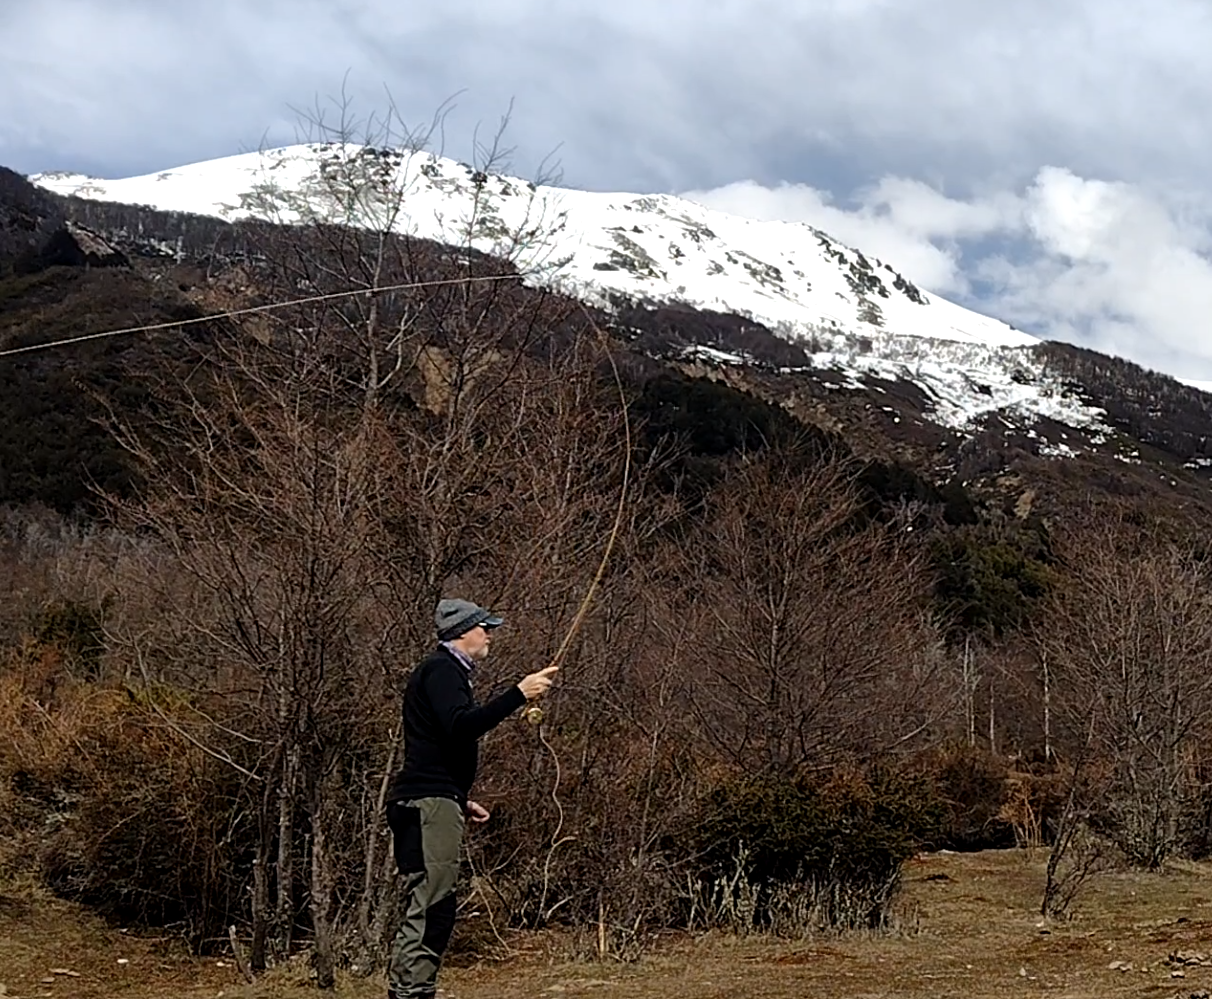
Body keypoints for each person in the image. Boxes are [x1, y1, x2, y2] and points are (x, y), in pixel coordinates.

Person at [385, 598, 557, 999]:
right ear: (463, 632)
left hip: (432, 800)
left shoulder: (443, 673)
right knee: (434, 905)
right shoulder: (442, 670)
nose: (490, 635)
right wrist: (518, 693)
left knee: (431, 903)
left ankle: (411, 990)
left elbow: (435, 743)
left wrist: (459, 798)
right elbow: (461, 726)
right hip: (428, 806)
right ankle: (412, 993)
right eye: (485, 627)